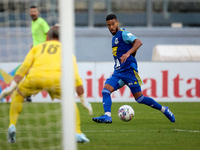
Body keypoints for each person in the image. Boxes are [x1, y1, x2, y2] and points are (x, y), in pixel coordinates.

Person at [0, 26, 90, 143]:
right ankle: (77, 133)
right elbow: (76, 78)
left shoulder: (36, 48)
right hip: (57, 80)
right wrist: (83, 100)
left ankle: (12, 125)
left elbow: (23, 69)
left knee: (18, 96)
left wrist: (11, 87)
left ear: (47, 37)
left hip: (34, 78)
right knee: (69, 101)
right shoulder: (67, 51)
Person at [92, 14, 175, 124]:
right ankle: (107, 116)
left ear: (117, 22)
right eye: (108, 25)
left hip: (130, 72)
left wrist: (128, 54)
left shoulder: (124, 34)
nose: (111, 27)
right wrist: (131, 53)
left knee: (140, 99)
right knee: (106, 91)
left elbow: (138, 42)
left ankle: (164, 109)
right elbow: (132, 46)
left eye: (113, 24)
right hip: (118, 72)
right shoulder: (114, 37)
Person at [54, 23, 93, 116]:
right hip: (57, 62)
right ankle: (78, 102)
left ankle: (83, 100)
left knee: (75, 79)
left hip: (65, 60)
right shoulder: (53, 42)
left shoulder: (66, 43)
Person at [24, 6, 50, 102]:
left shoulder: (41, 22)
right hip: (35, 50)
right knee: (28, 71)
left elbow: (48, 33)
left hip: (42, 51)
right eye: (31, 11)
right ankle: (28, 96)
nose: (33, 13)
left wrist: (46, 46)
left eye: (34, 11)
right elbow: (37, 37)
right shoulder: (32, 23)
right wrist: (33, 45)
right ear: (30, 13)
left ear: (38, 12)